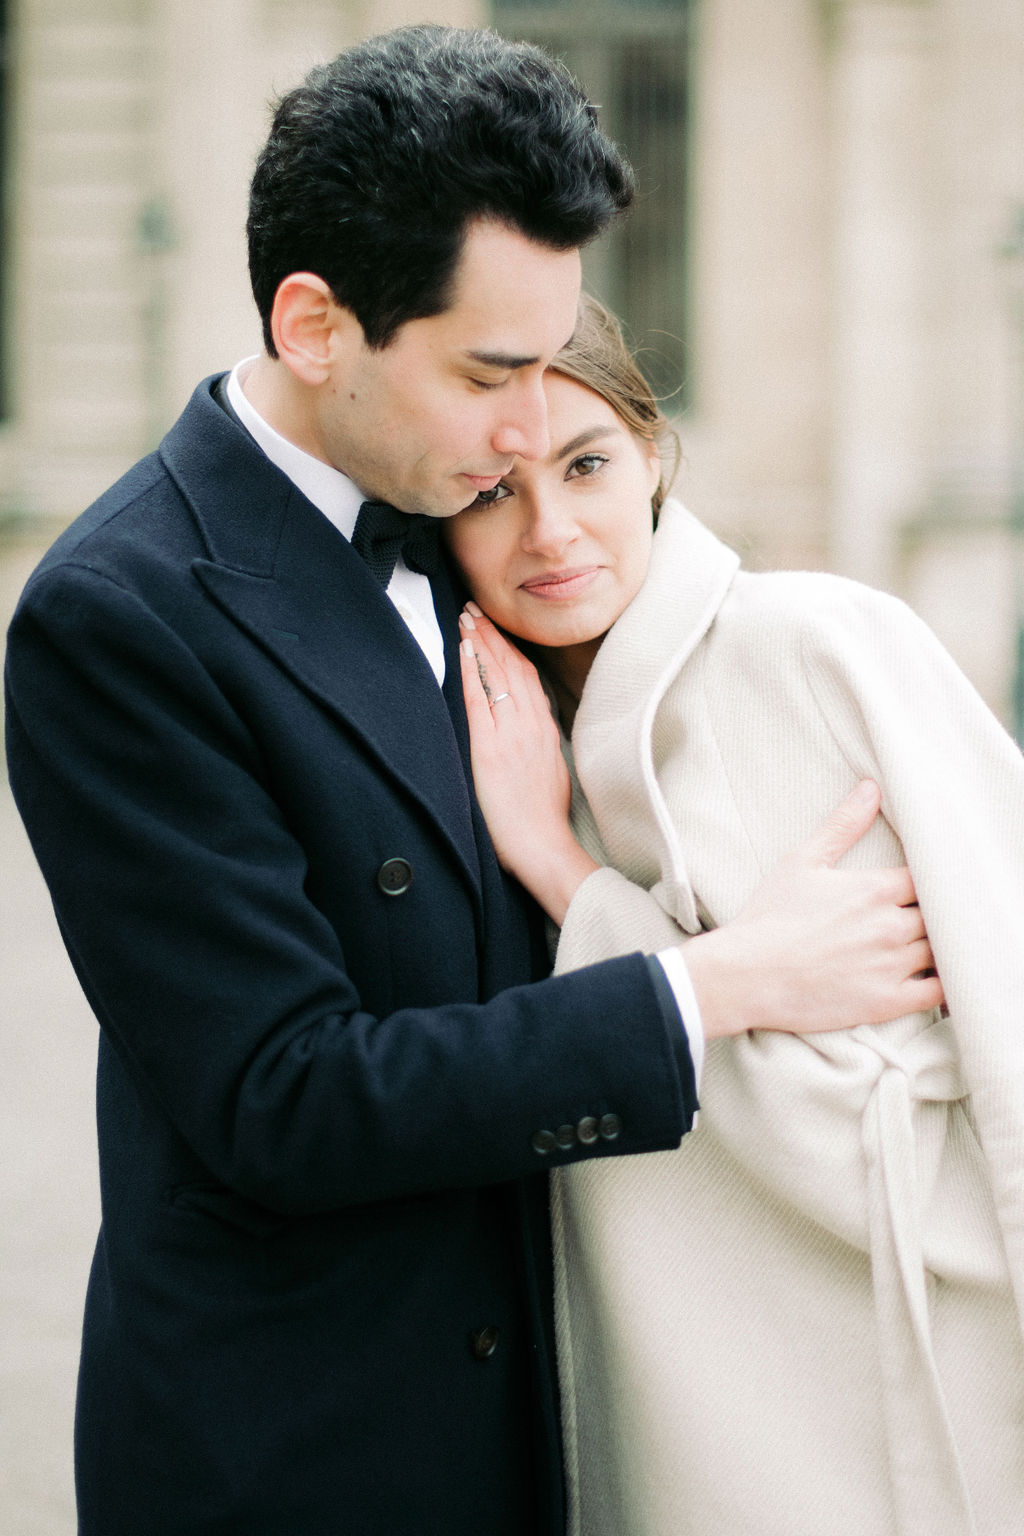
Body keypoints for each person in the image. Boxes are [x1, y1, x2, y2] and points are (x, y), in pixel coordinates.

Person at [5, 28, 941, 1536]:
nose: (530, 433)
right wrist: (716, 987)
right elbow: (282, 1099)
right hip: (301, 1452)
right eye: (490, 372)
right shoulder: (117, 615)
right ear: (315, 326)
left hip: (549, 1417)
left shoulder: (475, 532)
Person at [447, 292, 1024, 1536]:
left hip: (913, 1366)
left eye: (586, 464)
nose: (551, 531)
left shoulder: (824, 641)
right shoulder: (494, 735)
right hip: (684, 1394)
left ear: (651, 453)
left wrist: (562, 874)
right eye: (491, 493)